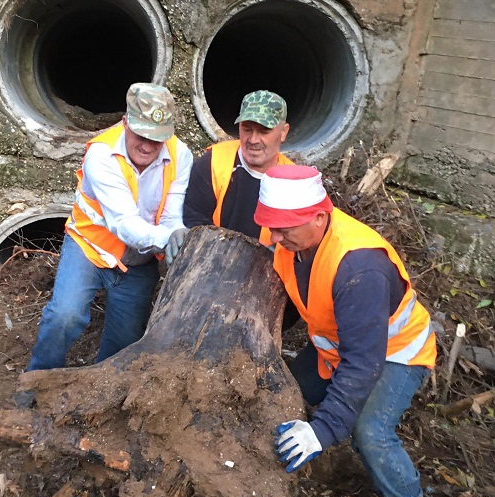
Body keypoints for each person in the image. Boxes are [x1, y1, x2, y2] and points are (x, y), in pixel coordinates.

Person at [254, 165, 437, 497]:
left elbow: (365, 362)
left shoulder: (358, 267)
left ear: (320, 217)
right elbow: (299, 298)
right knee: (288, 389)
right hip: (337, 344)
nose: (274, 238)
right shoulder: (292, 240)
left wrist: (323, 430)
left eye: (283, 228)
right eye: (271, 227)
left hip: (396, 353)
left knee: (370, 434)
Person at [20, 82, 193, 386]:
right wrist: (166, 239)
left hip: (138, 261)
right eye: (141, 135)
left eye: (157, 139)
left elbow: (171, 214)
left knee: (125, 343)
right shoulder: (101, 155)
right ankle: (37, 381)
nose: (148, 146)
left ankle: (96, 391)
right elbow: (124, 223)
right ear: (126, 123)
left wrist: (178, 232)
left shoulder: (181, 156)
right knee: (65, 316)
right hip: (90, 249)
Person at [166, 90, 294, 263]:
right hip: (210, 262)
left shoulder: (294, 183)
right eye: (247, 129)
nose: (253, 139)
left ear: (283, 132)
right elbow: (194, 219)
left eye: (264, 131)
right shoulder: (213, 163)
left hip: (268, 270)